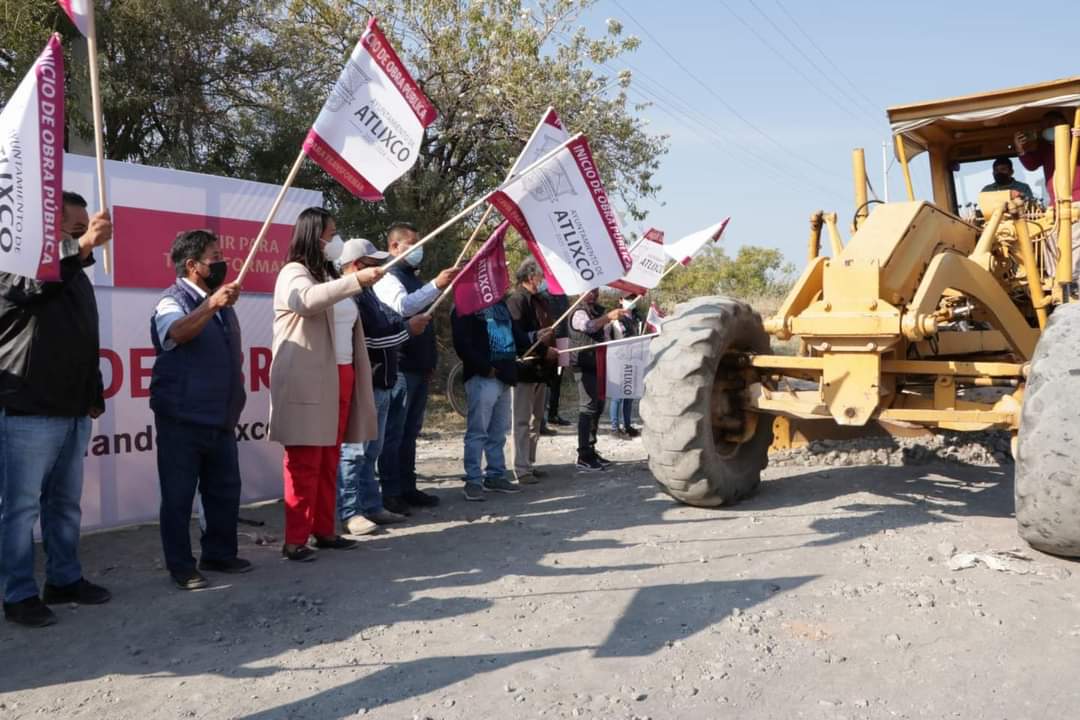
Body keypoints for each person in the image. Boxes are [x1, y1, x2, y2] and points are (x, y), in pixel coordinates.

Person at [0, 192, 112, 627]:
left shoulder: (76, 277)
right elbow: (30, 288)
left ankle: (64, 579)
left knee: (65, 504)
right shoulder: (15, 264)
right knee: (20, 509)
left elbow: (84, 338)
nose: (86, 237)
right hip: (27, 407)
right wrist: (81, 248)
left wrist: (93, 392)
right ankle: (18, 594)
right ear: (48, 228)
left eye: (86, 229)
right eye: (76, 229)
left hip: (71, 408)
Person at [269, 208, 382, 562]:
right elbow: (305, 301)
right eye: (331, 234)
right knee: (305, 460)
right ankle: (295, 539)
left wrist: (353, 282)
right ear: (313, 235)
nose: (337, 241)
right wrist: (355, 281)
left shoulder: (327, 272)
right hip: (309, 379)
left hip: (341, 374)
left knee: (330, 457)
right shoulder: (293, 272)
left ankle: (324, 529)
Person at [149, 230, 249, 590]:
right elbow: (175, 333)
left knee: (224, 489)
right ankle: (181, 566)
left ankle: (219, 553)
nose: (222, 263)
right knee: (178, 496)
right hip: (183, 418)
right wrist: (211, 306)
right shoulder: (171, 301)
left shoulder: (219, 303)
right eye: (214, 257)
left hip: (220, 416)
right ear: (192, 265)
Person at [335, 239, 431, 534]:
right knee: (354, 452)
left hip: (383, 382)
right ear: (355, 266)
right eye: (373, 265)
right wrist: (408, 329)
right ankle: (350, 511)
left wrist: (404, 326)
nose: (380, 270)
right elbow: (373, 339)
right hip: (365, 383)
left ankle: (371, 505)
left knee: (371, 452)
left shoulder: (370, 294)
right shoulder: (348, 297)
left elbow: (390, 321)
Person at [374, 221, 459, 515]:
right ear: (394, 246)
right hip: (400, 367)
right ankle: (390, 492)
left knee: (410, 432)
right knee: (394, 433)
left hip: (419, 368)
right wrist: (436, 285)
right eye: (413, 244)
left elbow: (424, 321)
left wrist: (430, 362)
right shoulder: (387, 276)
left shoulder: (412, 277)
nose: (418, 250)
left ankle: (407, 486)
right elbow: (404, 307)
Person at [451, 297, 528, 501]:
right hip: (482, 378)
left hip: (505, 377)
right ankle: (473, 480)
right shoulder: (464, 303)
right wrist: (485, 368)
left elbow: (517, 335)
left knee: (498, 432)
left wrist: (538, 336)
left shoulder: (501, 304)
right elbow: (462, 343)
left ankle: (495, 475)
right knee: (478, 431)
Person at [506, 259, 558, 484]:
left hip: (541, 369)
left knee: (536, 420)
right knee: (521, 420)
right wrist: (543, 348)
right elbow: (517, 335)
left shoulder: (541, 301)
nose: (543, 280)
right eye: (540, 276)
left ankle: (529, 462)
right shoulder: (516, 300)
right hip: (524, 368)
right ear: (530, 277)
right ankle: (520, 468)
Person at [569, 289, 629, 471]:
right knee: (587, 408)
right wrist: (608, 317)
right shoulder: (578, 312)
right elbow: (589, 327)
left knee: (598, 406)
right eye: (589, 291)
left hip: (599, 364)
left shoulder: (596, 311)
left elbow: (605, 334)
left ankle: (591, 449)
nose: (593, 294)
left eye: (596, 290)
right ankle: (583, 455)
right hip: (584, 365)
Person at [1015, 110, 1080, 203]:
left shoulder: (1076, 139)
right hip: (1056, 199)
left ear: (1065, 124)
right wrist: (1020, 149)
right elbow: (1031, 165)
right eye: (1044, 126)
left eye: (1051, 124)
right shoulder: (1044, 146)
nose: (1048, 128)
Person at [606, 297, 641, 438]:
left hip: (632, 359)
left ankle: (627, 425)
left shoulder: (636, 318)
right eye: (628, 298)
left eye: (634, 298)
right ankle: (615, 428)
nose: (632, 301)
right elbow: (609, 336)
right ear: (620, 300)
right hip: (618, 359)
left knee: (629, 395)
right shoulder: (615, 318)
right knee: (617, 397)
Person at [541, 284, 572, 428]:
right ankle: (541, 417)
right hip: (550, 339)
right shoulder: (543, 295)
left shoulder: (564, 295)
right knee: (546, 379)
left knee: (558, 379)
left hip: (563, 339)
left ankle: (553, 414)